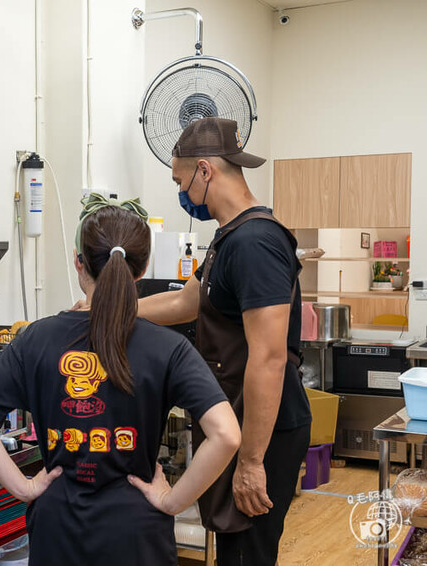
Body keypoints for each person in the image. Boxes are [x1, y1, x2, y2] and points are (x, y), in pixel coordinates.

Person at [0, 194, 241, 566]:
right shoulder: (168, 347)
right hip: (136, 533)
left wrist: (23, 487)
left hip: (57, 529)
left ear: (79, 263)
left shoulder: (37, 338)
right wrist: (173, 500)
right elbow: (226, 435)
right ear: (142, 269)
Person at [136, 117, 312, 566]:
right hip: (239, 417)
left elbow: (269, 359)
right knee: (233, 549)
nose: (181, 192)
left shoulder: (255, 243)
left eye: (180, 181)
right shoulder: (230, 236)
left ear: (205, 170)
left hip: (263, 430)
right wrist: (114, 308)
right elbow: (186, 302)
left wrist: (251, 461)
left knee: (246, 554)